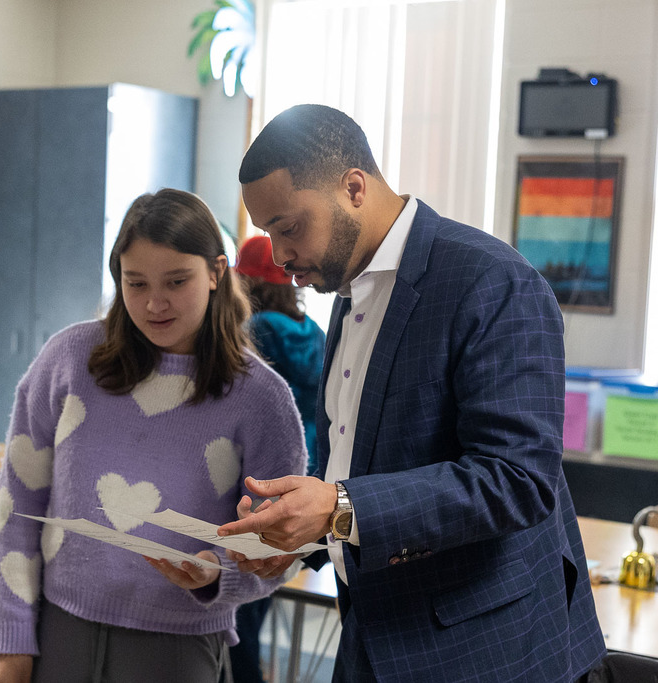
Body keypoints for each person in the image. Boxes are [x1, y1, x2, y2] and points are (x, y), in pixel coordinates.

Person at [217, 104, 606, 682]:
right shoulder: (348, 290)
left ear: (354, 188)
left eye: (289, 227)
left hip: (485, 653)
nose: (278, 256)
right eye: (267, 233)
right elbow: (364, 464)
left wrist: (338, 508)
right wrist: (302, 534)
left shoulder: (494, 281)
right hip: (372, 640)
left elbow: (519, 480)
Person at [0, 188, 308, 683]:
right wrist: (11, 641)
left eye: (177, 281)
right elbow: (17, 509)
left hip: (179, 647)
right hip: (59, 631)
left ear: (216, 273)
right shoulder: (68, 360)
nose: (155, 303)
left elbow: (282, 543)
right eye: (135, 283)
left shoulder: (261, 397)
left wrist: (218, 569)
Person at [228, 234, 326, 683]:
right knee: (256, 608)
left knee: (237, 623)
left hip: (260, 481)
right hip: (306, 478)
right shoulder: (315, 331)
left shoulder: (256, 331)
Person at [236, 234, 326, 473]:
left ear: (250, 281)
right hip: (315, 455)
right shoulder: (314, 329)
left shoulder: (257, 328)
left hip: (273, 454)